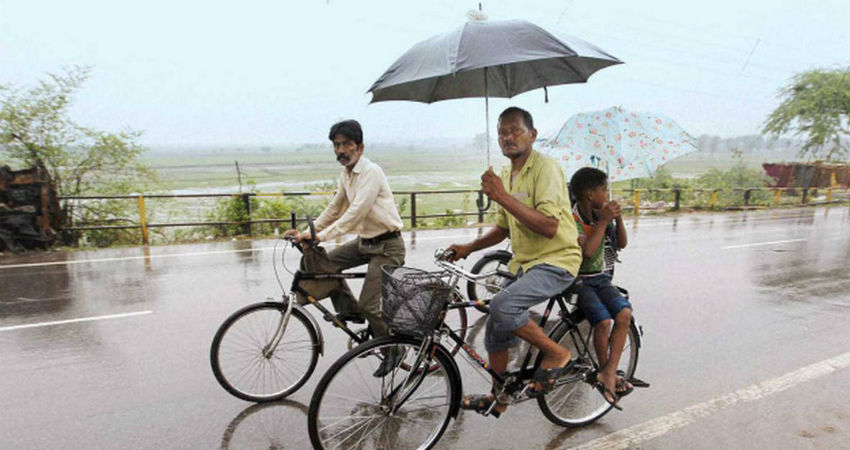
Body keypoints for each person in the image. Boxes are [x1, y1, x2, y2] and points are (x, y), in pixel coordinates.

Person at [446, 107, 583, 417]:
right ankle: (500, 396)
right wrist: (469, 247)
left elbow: (549, 226)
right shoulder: (506, 174)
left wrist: (502, 196)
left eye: (514, 131)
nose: (507, 137)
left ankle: (558, 353)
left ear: (532, 135)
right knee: (496, 329)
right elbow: (504, 228)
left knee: (502, 306)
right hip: (525, 264)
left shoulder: (546, 168)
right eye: (502, 133)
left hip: (556, 260)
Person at [285, 119, 405, 377]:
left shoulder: (372, 172)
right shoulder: (346, 175)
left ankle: (394, 351)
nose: (341, 150)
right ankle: (350, 311)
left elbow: (355, 213)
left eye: (346, 144)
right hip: (365, 243)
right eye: (337, 145)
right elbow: (334, 208)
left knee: (371, 305)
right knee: (325, 263)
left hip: (387, 247)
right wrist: (311, 232)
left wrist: (321, 236)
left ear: (359, 147)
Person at [569, 167, 632, 407]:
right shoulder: (572, 218)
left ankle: (609, 371)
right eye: (603, 190)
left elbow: (622, 244)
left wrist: (617, 219)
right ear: (589, 194)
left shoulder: (599, 214)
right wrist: (604, 220)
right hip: (580, 281)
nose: (606, 194)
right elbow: (588, 252)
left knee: (624, 313)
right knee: (603, 321)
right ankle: (606, 372)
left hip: (602, 279)